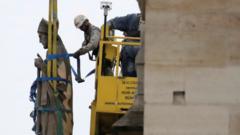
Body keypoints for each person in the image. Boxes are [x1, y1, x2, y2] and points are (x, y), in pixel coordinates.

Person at [34, 18, 73, 135]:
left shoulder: (58, 50)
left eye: (41, 36)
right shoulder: (52, 52)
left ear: (48, 35)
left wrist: (43, 67)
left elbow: (60, 84)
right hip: (50, 110)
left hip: (57, 112)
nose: (39, 41)